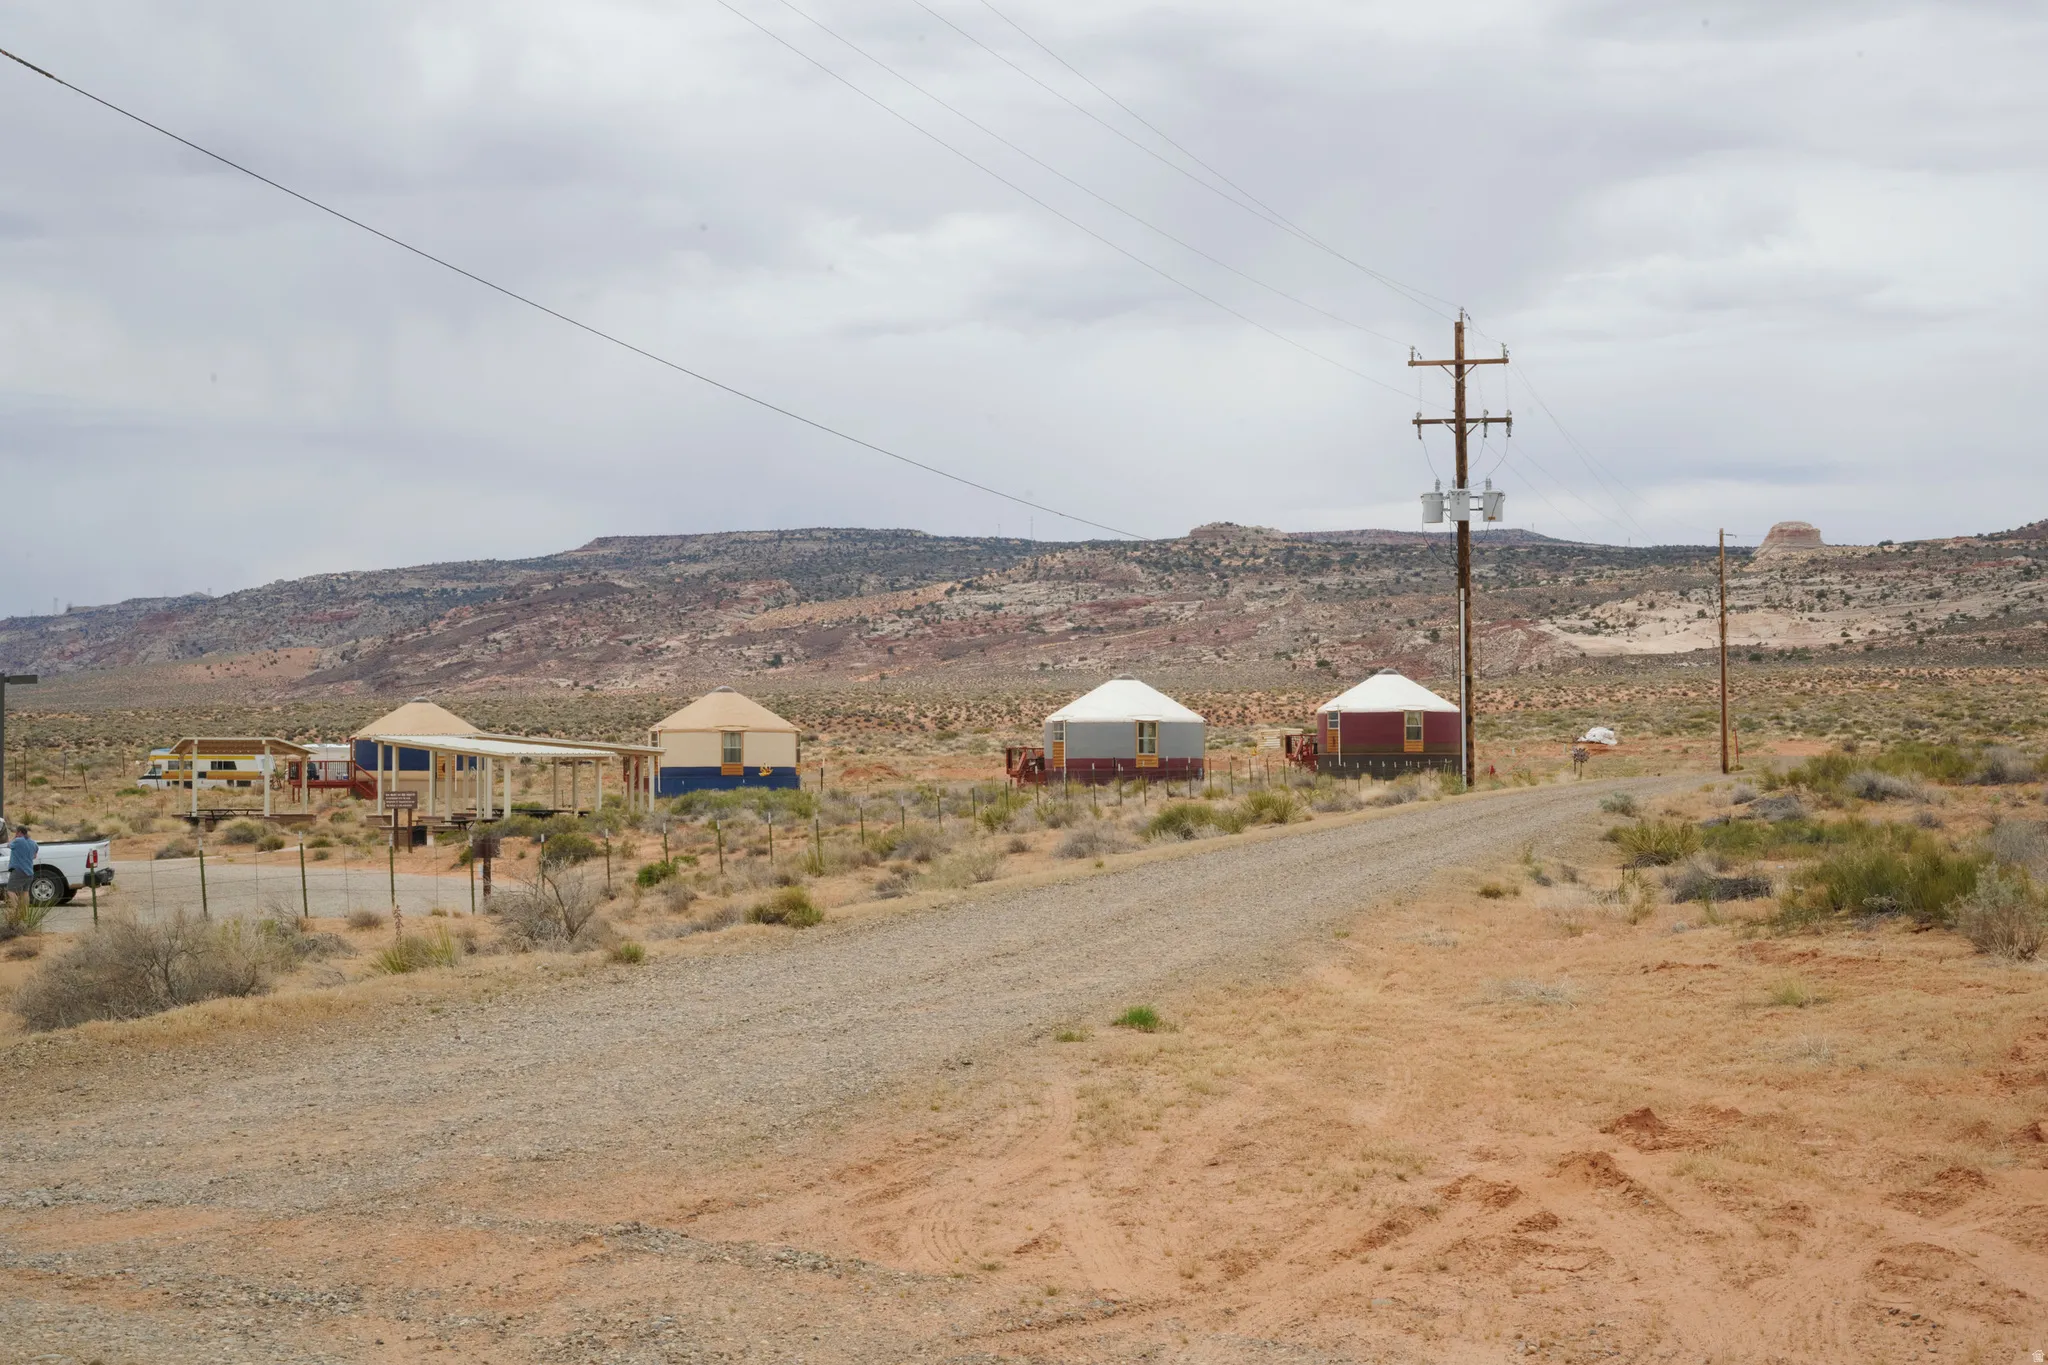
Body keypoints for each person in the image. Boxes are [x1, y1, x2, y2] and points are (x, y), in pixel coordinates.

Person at [7, 821, 36, 913]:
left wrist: (15, 837)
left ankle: (16, 911)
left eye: (16, 832)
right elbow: (34, 856)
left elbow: (8, 845)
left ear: (19, 832)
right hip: (29, 872)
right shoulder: (33, 843)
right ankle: (25, 912)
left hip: (18, 870)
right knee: (25, 892)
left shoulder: (18, 840)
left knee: (10, 891)